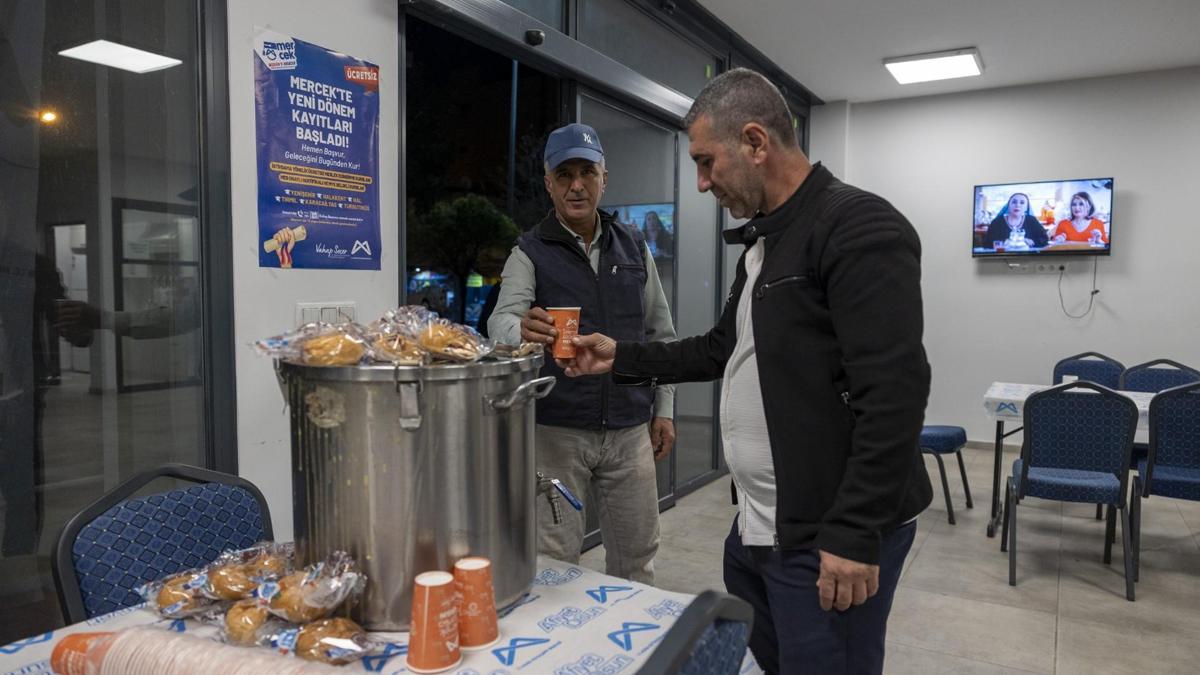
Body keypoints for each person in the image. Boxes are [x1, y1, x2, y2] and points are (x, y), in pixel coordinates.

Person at [558, 69, 932, 674]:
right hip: (763, 528)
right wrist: (619, 357)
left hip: (826, 535)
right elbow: (718, 349)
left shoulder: (858, 227)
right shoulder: (764, 243)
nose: (702, 183)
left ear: (756, 143)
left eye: (707, 163)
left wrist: (855, 533)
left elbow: (894, 395)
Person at [488, 123, 678, 585]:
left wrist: (665, 409)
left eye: (587, 172)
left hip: (631, 428)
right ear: (550, 183)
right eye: (565, 173)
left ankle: (631, 653)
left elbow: (662, 334)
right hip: (556, 433)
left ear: (603, 179)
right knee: (552, 561)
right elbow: (501, 323)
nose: (577, 185)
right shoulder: (528, 252)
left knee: (638, 556)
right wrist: (522, 331)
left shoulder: (635, 247)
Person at [985, 192, 1049, 249]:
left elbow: (1045, 239)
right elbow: (987, 243)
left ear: (1026, 207)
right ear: (1008, 205)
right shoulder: (997, 222)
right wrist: (1004, 242)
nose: (1017, 205)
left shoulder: (1032, 220)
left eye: (1022, 203)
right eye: (1014, 202)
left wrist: (1032, 241)